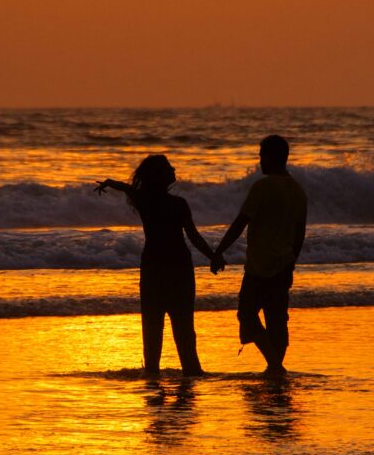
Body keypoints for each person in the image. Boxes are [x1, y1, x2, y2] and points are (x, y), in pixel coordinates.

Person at [96, 155, 218, 377]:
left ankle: (153, 380)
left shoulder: (144, 200)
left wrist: (109, 182)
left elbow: (125, 188)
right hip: (179, 268)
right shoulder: (178, 204)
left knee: (152, 330)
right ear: (161, 175)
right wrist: (213, 256)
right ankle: (191, 374)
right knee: (184, 330)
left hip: (153, 268)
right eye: (169, 167)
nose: (173, 169)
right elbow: (193, 236)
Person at [212, 135, 307, 375]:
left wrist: (219, 250)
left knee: (246, 316)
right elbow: (300, 233)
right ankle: (274, 369)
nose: (259, 160)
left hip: (259, 266)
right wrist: (291, 262)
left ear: (272, 157)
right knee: (277, 321)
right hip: (284, 264)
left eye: (262, 155)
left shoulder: (263, 187)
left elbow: (240, 222)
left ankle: (275, 367)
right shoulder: (298, 190)